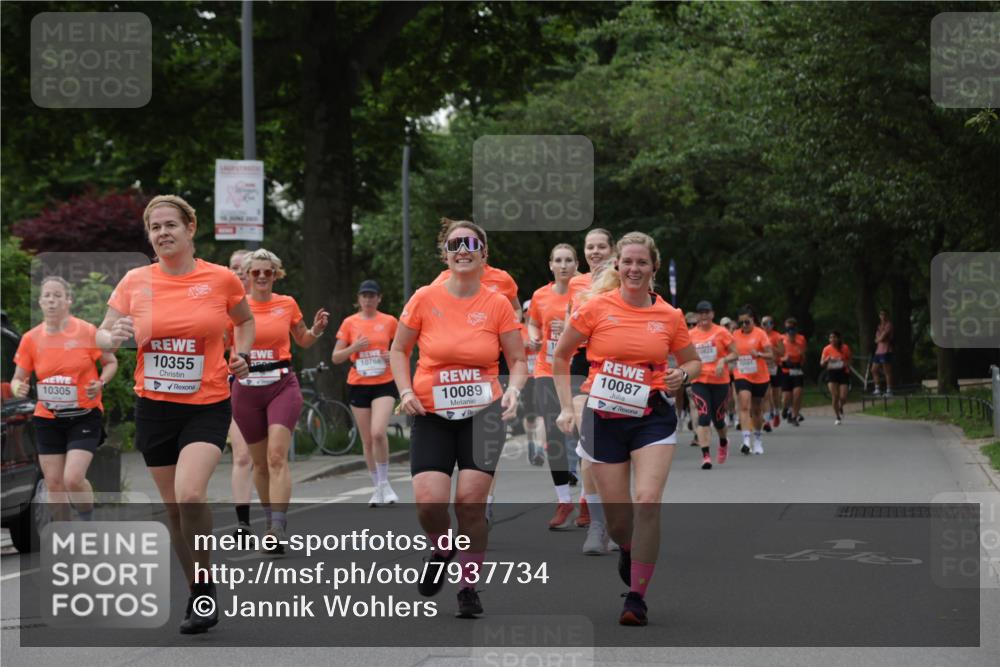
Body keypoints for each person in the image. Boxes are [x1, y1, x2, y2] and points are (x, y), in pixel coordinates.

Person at [97, 195, 254, 635]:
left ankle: (205, 584)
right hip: (155, 407)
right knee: (172, 507)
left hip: (205, 403)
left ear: (190, 229)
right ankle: (198, 591)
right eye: (155, 227)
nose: (163, 233)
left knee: (189, 495)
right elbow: (102, 332)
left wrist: (241, 356)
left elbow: (243, 321)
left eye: (171, 225)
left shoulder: (221, 279)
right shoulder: (134, 281)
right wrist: (112, 334)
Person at [552, 231, 701, 627]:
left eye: (642, 262)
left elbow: (693, 361)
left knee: (648, 500)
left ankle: (636, 596)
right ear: (617, 266)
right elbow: (562, 355)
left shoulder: (669, 315)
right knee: (619, 522)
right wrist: (567, 407)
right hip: (603, 417)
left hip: (652, 415)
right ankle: (628, 546)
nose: (634, 268)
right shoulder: (595, 308)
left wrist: (681, 375)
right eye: (628, 262)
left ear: (653, 267)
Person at [390, 218, 527, 618]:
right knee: (429, 504)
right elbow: (399, 350)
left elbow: (517, 359)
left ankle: (469, 586)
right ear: (445, 253)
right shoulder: (424, 298)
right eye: (454, 244)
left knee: (470, 502)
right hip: (431, 412)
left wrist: (515, 390)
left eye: (470, 243)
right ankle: (441, 546)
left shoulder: (497, 303)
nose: (462, 249)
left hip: (483, 414)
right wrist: (405, 391)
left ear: (483, 252)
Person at [233, 248, 328, 551]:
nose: (262, 276)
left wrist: (315, 331)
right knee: (259, 464)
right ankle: (267, 518)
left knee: (276, 456)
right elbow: (220, 346)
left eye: (268, 272)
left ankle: (277, 526)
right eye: (256, 272)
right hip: (246, 389)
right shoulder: (235, 308)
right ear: (247, 276)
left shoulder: (286, 304)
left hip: (281, 384)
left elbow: (303, 339)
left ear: (276, 274)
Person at [12, 276, 118, 522]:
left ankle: (87, 521)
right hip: (47, 418)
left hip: (84, 415)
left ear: (68, 301)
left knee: (73, 478)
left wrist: (100, 383)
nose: (51, 300)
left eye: (57, 295)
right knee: (54, 484)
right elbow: (18, 377)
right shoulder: (31, 338)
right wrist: (18, 387)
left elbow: (110, 363)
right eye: (47, 295)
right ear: (39, 302)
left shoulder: (87, 331)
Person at [566, 228, 617, 553]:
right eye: (590, 247)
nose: (595, 252)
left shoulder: (625, 275)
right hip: (584, 362)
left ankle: (616, 522)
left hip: (619, 365)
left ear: (611, 249)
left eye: (601, 246)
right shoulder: (576, 283)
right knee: (589, 442)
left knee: (617, 451)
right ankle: (596, 525)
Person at [527, 243, 580, 529]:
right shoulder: (540, 295)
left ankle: (587, 501)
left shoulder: (585, 291)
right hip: (547, 369)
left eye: (568, 260)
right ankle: (563, 500)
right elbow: (533, 323)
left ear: (576, 264)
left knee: (587, 436)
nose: (563, 265)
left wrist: (570, 330)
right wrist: (535, 337)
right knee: (554, 433)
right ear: (550, 265)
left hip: (578, 372)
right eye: (558, 260)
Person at [333, 279, 399, 507]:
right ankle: (379, 486)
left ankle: (384, 483)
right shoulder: (350, 323)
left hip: (384, 382)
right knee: (368, 439)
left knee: (378, 432)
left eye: (372, 296)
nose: (368, 299)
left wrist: (392, 355)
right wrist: (354, 348)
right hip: (359, 383)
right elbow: (336, 356)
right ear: (358, 299)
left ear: (379, 298)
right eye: (364, 296)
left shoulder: (389, 321)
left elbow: (404, 348)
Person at [688, 301, 736, 468]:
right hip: (699, 380)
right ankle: (706, 456)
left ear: (712, 314)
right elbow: (685, 355)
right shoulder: (691, 334)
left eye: (707, 312)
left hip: (720, 381)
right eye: (701, 313)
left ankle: (723, 442)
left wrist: (723, 359)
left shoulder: (721, 332)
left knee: (718, 420)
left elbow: (735, 353)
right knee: (704, 416)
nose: (704, 316)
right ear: (697, 315)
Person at [226, 249, 254, 536]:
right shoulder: (223, 306)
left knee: (269, 457)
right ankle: (243, 523)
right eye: (234, 267)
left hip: (271, 387)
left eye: (245, 267)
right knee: (242, 455)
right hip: (237, 386)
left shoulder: (273, 303)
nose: (240, 272)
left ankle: (275, 519)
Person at [731, 307, 774, 455]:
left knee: (756, 409)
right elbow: (729, 351)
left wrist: (759, 354)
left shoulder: (760, 334)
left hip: (759, 376)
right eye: (741, 322)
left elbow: (771, 355)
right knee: (744, 403)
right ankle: (745, 441)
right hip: (742, 374)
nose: (744, 325)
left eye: (747, 322)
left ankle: (757, 439)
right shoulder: (735, 335)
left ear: (753, 320)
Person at [780, 317, 808, 426]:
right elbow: (777, 356)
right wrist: (784, 359)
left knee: (797, 393)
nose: (790, 331)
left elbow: (804, 357)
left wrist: (802, 356)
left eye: (792, 328)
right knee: (786, 397)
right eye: (788, 328)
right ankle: (785, 408)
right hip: (786, 370)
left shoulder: (801, 339)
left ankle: (794, 416)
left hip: (797, 370)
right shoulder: (781, 339)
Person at [760, 315, 785, 430]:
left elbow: (782, 352)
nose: (766, 326)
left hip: (775, 366)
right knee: (766, 394)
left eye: (769, 323)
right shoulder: (759, 335)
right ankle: (767, 421)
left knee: (775, 395)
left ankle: (776, 412)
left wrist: (771, 347)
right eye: (764, 323)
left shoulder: (777, 336)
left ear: (773, 325)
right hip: (763, 367)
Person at [821, 331, 852, 425]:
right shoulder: (826, 349)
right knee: (835, 395)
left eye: (834, 337)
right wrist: (827, 360)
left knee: (843, 397)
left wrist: (844, 363)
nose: (832, 339)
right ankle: (837, 416)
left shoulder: (845, 348)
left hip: (843, 372)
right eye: (830, 338)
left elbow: (850, 360)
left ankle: (840, 406)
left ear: (838, 338)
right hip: (831, 373)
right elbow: (821, 363)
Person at [872, 309, 894, 397]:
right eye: (881, 314)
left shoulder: (889, 325)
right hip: (878, 351)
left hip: (886, 350)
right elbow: (876, 338)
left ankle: (889, 390)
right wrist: (879, 339)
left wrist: (879, 339)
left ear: (887, 316)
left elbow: (882, 338)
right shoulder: (879, 326)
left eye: (884, 314)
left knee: (887, 371)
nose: (883, 316)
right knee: (874, 370)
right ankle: (877, 389)